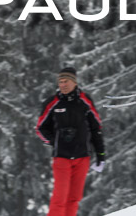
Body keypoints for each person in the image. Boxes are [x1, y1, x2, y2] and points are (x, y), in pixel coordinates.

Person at [35, 67, 105, 216]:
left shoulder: (85, 101)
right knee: (60, 198)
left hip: (82, 157)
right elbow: (40, 128)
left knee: (74, 198)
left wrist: (101, 154)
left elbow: (96, 128)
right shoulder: (53, 102)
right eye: (60, 82)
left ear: (74, 82)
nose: (63, 85)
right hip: (62, 157)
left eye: (66, 81)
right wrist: (56, 140)